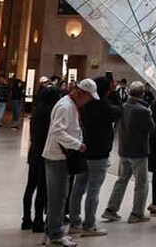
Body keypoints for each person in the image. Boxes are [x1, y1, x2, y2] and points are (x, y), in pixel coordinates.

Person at [42, 78, 97, 247]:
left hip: (61, 156)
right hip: (57, 157)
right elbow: (58, 131)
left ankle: (51, 231)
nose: (88, 102)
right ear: (80, 93)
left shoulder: (71, 105)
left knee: (58, 196)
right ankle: (56, 235)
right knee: (58, 197)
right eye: (88, 97)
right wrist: (77, 144)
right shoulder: (65, 106)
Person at [68, 77, 120, 237]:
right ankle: (89, 224)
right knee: (93, 189)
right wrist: (114, 94)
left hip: (84, 150)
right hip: (100, 153)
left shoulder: (85, 106)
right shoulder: (104, 106)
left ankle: (74, 222)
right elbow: (118, 111)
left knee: (78, 187)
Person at [103, 82, 154, 224]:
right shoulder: (143, 110)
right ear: (142, 93)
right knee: (141, 183)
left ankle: (111, 209)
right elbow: (152, 128)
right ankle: (137, 213)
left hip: (124, 149)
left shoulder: (123, 107)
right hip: (138, 150)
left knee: (122, 180)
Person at [24, 86, 61, 232]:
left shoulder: (36, 110)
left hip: (34, 151)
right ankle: (39, 220)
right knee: (42, 188)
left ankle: (26, 219)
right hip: (44, 153)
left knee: (30, 186)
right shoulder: (51, 113)